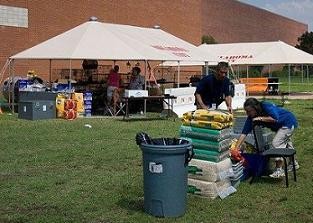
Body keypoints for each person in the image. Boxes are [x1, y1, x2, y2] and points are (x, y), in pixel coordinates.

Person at [234, 97, 299, 178]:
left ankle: (279, 170)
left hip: (288, 122)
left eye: (249, 111)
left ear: (255, 108)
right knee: (286, 145)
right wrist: (236, 148)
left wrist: (260, 118)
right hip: (282, 126)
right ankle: (294, 164)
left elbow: (275, 118)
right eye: (246, 111)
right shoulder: (251, 118)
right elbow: (244, 133)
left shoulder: (266, 106)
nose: (248, 113)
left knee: (276, 143)